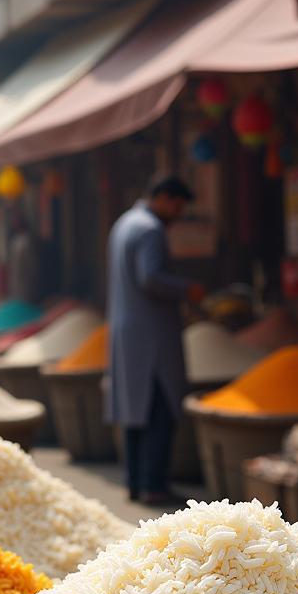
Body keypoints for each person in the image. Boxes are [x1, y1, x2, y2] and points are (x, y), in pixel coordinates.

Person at [105, 174, 204, 506]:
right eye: (176, 205)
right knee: (160, 409)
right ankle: (155, 486)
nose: (177, 214)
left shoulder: (124, 223)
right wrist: (186, 289)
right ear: (162, 197)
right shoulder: (150, 229)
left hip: (126, 332)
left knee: (135, 412)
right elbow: (150, 277)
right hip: (152, 335)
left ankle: (134, 482)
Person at [7, 209, 39, 304]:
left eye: (17, 221)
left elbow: (34, 263)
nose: (15, 224)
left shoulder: (30, 239)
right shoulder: (14, 240)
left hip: (29, 281)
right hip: (16, 281)